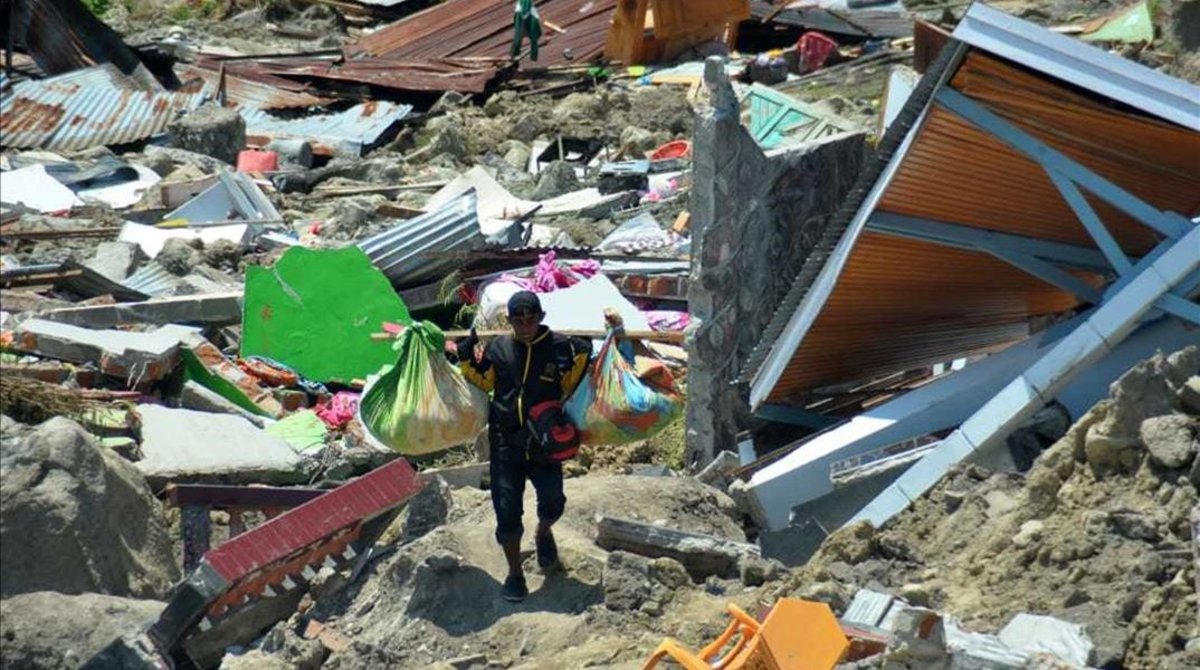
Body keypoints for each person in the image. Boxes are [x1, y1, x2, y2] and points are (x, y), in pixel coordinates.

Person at [452, 291, 620, 602]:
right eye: (519, 320)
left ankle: (543, 532)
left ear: (541, 317)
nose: (526, 325)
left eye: (531, 319)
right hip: (505, 443)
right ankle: (515, 574)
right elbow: (486, 381)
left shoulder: (558, 348)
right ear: (510, 321)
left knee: (554, 501)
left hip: (544, 442)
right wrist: (465, 357)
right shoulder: (499, 348)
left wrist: (582, 355)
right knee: (506, 512)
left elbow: (569, 386)